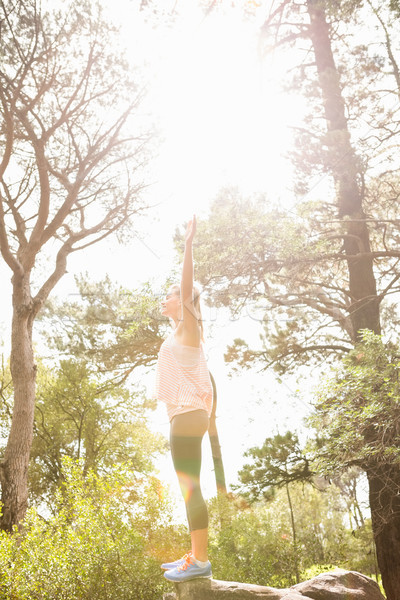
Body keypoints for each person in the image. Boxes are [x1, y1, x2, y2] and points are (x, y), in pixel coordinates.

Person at [155, 215, 213, 583]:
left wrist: (188, 245)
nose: (166, 296)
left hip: (188, 415)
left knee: (190, 486)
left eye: (172, 293)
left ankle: (201, 561)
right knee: (188, 486)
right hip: (186, 415)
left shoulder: (190, 326)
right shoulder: (180, 332)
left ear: (185, 300)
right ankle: (196, 555)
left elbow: (187, 283)